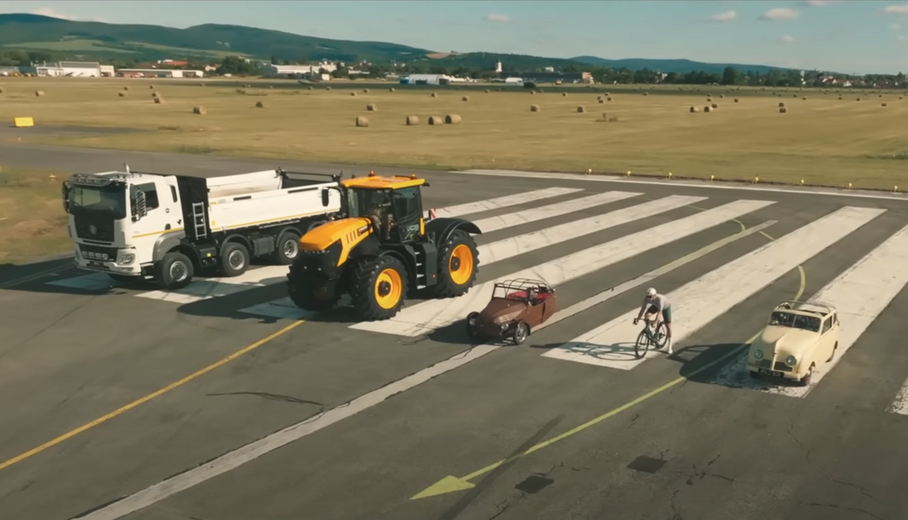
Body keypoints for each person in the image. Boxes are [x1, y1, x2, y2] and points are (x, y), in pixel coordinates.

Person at [633, 287, 673, 353]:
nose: (649, 298)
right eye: (648, 296)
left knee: (668, 326)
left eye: (650, 296)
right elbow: (642, 309)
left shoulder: (660, 299)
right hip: (656, 306)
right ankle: (649, 329)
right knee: (646, 315)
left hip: (665, 307)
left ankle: (669, 347)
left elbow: (659, 313)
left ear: (654, 295)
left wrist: (655, 321)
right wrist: (638, 318)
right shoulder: (646, 298)